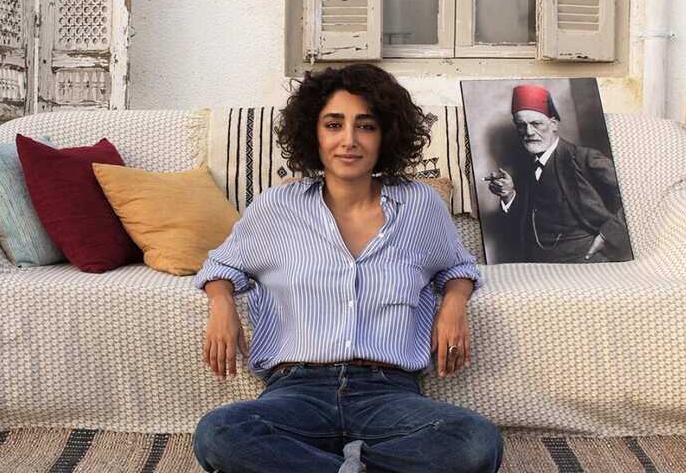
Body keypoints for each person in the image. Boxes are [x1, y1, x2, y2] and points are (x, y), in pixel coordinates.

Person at [191, 64, 503, 473]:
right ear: (314, 134)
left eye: (366, 126)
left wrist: (454, 303)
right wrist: (221, 304)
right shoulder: (277, 207)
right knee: (220, 432)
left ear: (386, 135)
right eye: (334, 124)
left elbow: (457, 266)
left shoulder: (420, 206)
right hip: (295, 391)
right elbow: (221, 264)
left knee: (476, 442)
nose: (349, 141)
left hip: (390, 395)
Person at [484, 84, 631, 263]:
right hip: (537, 267)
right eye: (521, 125)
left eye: (536, 124)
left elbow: (635, 195)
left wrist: (608, 235)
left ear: (553, 124)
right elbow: (520, 224)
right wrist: (508, 194)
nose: (529, 132)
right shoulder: (525, 169)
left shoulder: (584, 159)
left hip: (585, 264)